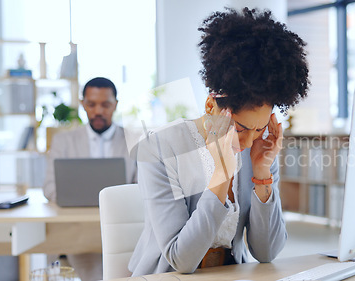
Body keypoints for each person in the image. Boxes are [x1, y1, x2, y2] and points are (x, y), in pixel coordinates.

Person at [128, 8, 309, 276]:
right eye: (240, 128)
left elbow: (267, 252)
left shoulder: (259, 152)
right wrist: (221, 176)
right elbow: (182, 260)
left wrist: (262, 176)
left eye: (259, 129)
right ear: (211, 105)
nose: (249, 142)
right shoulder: (159, 148)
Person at [43, 77, 137, 281]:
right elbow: (50, 188)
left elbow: (142, 189)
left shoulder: (135, 140)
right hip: (77, 228)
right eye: (91, 104)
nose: (98, 111)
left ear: (115, 105)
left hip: (121, 229)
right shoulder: (63, 141)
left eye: (105, 105)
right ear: (83, 104)